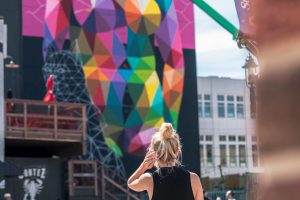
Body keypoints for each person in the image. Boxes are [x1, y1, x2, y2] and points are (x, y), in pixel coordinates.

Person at [128, 123, 203, 200]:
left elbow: (130, 183)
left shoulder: (148, 179)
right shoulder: (194, 178)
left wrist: (143, 166)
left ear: (155, 153)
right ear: (177, 151)